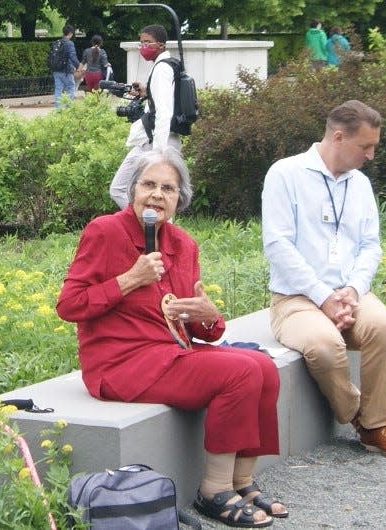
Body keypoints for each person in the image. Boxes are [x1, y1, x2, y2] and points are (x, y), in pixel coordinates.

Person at [58, 149, 288, 527]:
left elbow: (197, 325)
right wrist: (129, 279)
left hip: (170, 354)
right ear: (131, 190)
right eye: (148, 184)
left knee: (264, 366)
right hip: (121, 364)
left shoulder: (183, 245)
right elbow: (69, 305)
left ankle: (242, 480)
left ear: (179, 199)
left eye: (168, 188)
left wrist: (209, 316)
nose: (157, 195)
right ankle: (213, 490)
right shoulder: (105, 232)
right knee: (240, 373)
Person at [261, 100, 386, 460]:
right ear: (337, 137)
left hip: (349, 294)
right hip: (296, 298)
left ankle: (380, 427)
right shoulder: (285, 174)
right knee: (323, 346)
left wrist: (352, 290)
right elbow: (277, 244)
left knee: (382, 327)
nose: (371, 155)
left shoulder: (360, 185)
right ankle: (360, 418)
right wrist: (323, 296)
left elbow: (370, 246)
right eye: (365, 146)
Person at [108, 24, 181, 209]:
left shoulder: (162, 69)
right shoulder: (166, 65)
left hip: (155, 142)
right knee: (157, 196)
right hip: (157, 140)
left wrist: (158, 153)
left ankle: (149, 226)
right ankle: (154, 228)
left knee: (119, 188)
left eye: (148, 42)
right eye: (141, 43)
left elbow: (164, 112)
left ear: (161, 45)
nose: (143, 47)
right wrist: (146, 92)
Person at [53, 24, 80, 108]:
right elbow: (73, 57)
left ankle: (58, 109)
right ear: (71, 33)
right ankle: (69, 108)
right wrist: (79, 66)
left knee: (58, 89)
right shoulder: (69, 43)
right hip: (66, 71)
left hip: (56, 69)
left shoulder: (57, 42)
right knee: (71, 87)